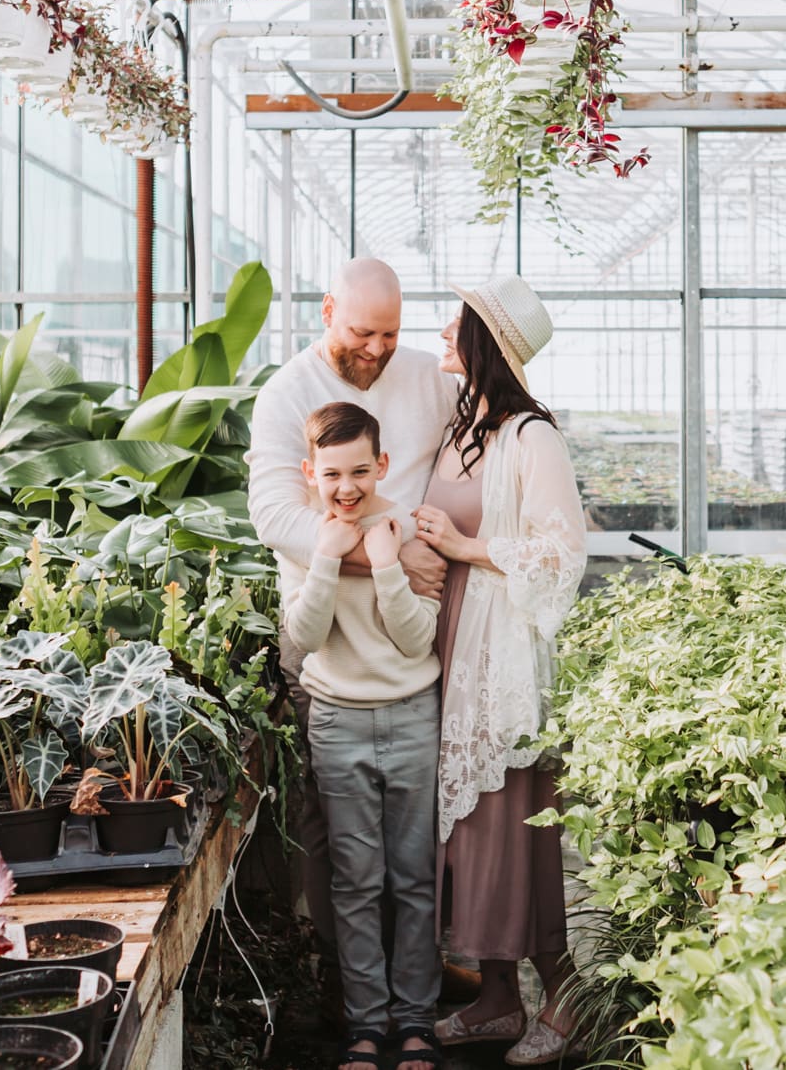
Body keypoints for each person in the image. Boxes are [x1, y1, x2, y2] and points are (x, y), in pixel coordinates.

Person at [246, 259, 459, 970]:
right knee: (338, 836)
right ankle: (347, 986)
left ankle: (422, 971)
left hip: (415, 638)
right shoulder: (286, 394)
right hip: (331, 648)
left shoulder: (430, 377)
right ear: (327, 309)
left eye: (390, 334)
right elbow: (274, 515)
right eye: (361, 332)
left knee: (419, 833)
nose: (374, 349)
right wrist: (380, 552)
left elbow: (482, 440)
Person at [411, 275, 589, 1066]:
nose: (443, 330)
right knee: (464, 837)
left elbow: (560, 551)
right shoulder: (459, 424)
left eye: (459, 322)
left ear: (489, 340)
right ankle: (494, 998)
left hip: (499, 656)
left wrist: (461, 546)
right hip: (448, 643)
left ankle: (567, 993)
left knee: (510, 828)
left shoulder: (531, 435)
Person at [281, 402, 445, 1070]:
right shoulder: (309, 538)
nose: (346, 488)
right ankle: (364, 1025)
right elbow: (305, 635)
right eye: (331, 474)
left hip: (411, 714)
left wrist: (386, 565)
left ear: (380, 465)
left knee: (413, 878)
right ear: (310, 473)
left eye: (359, 471)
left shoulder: (405, 529)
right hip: (337, 720)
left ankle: (416, 1023)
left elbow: (416, 638)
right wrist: (326, 560)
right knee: (355, 880)